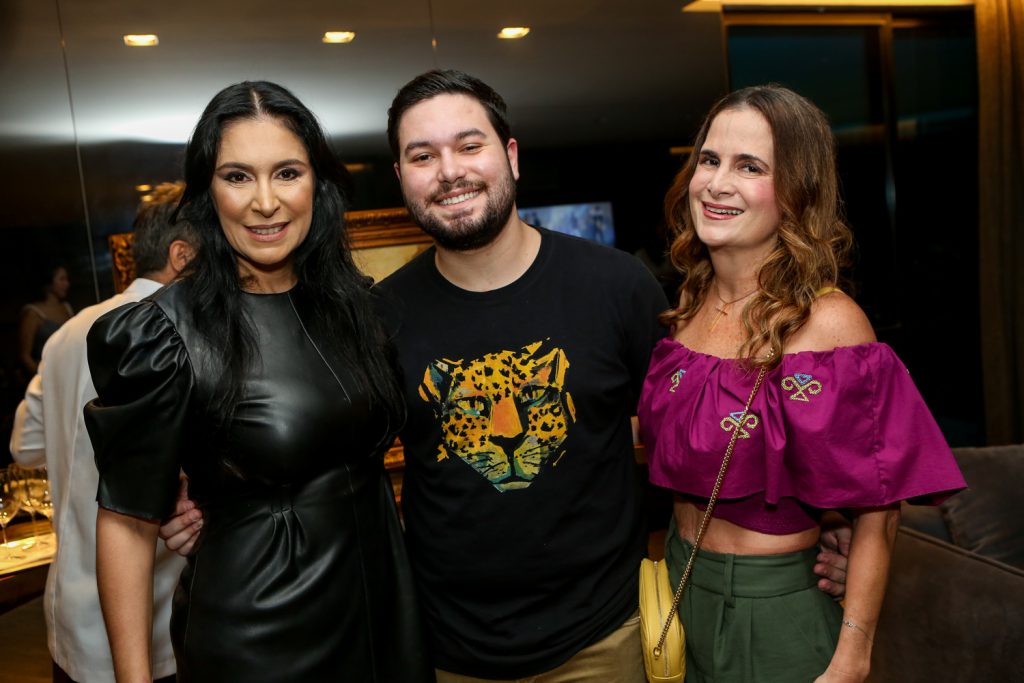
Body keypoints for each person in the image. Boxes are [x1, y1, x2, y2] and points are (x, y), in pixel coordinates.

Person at [160, 71, 852, 681]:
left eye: (469, 145)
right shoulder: (377, 315)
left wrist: (832, 521)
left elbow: (708, 420)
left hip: (606, 641)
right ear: (400, 177)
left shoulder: (616, 286)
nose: (449, 170)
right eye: (421, 155)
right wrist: (213, 496)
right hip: (443, 647)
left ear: (510, 156)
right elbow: (329, 449)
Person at [83, 81, 432, 683]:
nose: (265, 202)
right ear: (207, 190)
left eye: (287, 172)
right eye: (238, 176)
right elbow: (126, 524)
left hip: (382, 613)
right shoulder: (166, 332)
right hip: (259, 636)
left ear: (317, 184)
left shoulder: (353, 306)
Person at [636, 84, 967, 683]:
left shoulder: (829, 323)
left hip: (773, 609)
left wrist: (852, 657)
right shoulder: (690, 306)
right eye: (709, 160)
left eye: (750, 166)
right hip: (680, 584)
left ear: (795, 192)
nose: (716, 183)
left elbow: (879, 504)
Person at [10, 182, 195, 683]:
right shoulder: (181, 337)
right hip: (153, 627)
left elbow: (24, 448)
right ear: (181, 256)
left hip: (71, 618)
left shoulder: (70, 331)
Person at [19, 263, 74, 374]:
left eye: (67, 279)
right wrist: (42, 378)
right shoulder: (33, 313)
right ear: (49, 283)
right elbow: (25, 356)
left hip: (70, 372)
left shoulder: (67, 308)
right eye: (62, 279)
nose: (67, 284)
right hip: (47, 375)